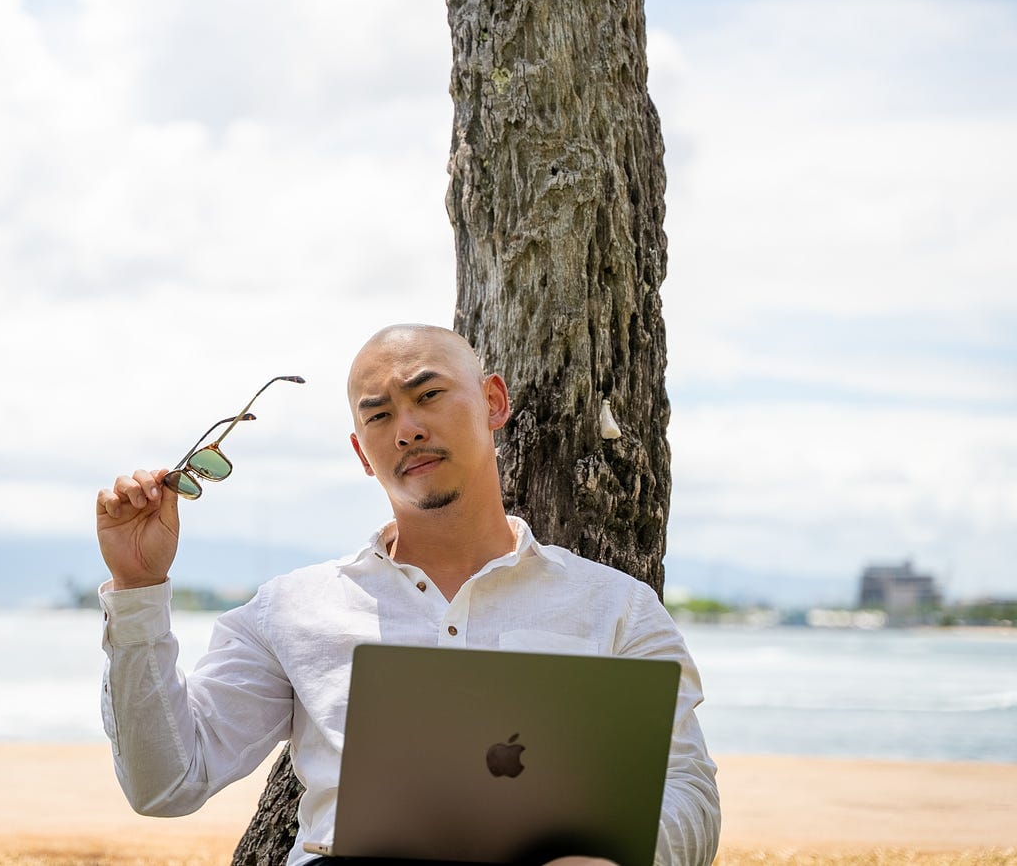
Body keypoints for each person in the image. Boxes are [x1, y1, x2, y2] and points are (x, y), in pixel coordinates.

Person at [95, 324, 720, 866]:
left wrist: (600, 860)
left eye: (428, 395)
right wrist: (138, 589)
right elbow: (168, 783)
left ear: (493, 401)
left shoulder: (617, 608)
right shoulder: (292, 610)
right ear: (362, 454)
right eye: (379, 415)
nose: (407, 429)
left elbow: (687, 791)